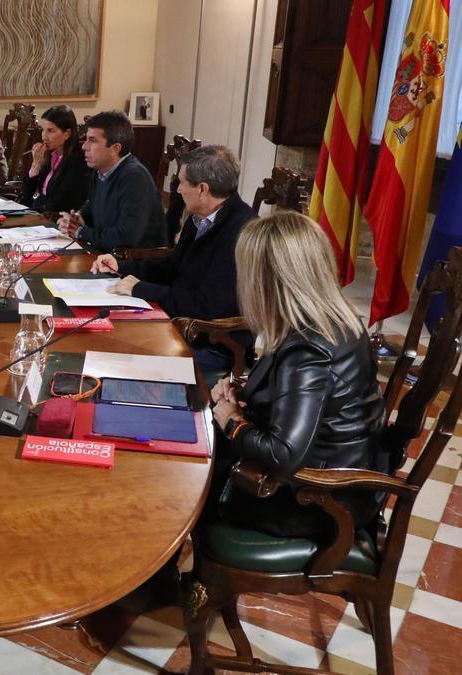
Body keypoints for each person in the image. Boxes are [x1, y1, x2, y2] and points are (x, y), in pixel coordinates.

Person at [208, 212, 385, 538]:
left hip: (317, 499)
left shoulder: (308, 349)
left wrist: (232, 420)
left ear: (266, 279)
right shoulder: (330, 318)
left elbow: (284, 454)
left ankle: (177, 578)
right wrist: (240, 391)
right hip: (340, 475)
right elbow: (310, 398)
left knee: (199, 472)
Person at [91, 145, 256, 372]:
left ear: (202, 189)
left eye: (182, 183)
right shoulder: (201, 217)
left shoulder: (241, 233)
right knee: (104, 335)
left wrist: (141, 289)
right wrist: (122, 266)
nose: (177, 190)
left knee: (117, 357)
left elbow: (207, 307)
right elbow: (173, 267)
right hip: (177, 322)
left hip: (210, 342)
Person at [57, 111, 166, 252]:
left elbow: (125, 238)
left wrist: (81, 232)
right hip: (104, 256)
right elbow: (93, 204)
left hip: (134, 264)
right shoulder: (100, 169)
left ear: (115, 148)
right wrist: (78, 217)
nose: (84, 146)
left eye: (93, 140)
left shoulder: (134, 177)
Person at [19, 105, 90, 215]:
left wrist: (34, 210)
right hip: (37, 215)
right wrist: (36, 164)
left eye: (50, 131)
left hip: (55, 221)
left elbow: (58, 203)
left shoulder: (77, 162)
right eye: (43, 130)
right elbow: (26, 196)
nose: (44, 137)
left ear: (67, 133)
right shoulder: (49, 155)